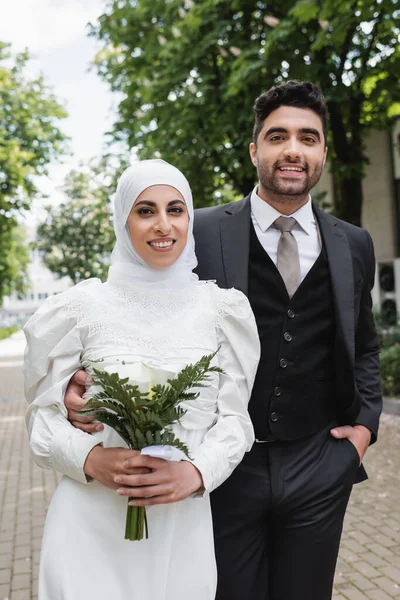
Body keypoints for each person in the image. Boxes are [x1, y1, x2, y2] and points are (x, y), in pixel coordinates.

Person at [65, 80, 382, 600]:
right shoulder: (199, 230)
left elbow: (364, 344)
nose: (293, 150)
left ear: (324, 151)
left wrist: (364, 430)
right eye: (278, 136)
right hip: (220, 469)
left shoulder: (354, 243)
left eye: (308, 137)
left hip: (319, 463)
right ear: (256, 149)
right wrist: (83, 385)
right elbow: (134, 311)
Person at [24, 159, 260, 600]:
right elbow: (41, 421)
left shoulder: (223, 312)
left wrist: (196, 472)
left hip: (181, 530)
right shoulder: (78, 309)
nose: (163, 225)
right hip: (88, 524)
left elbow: (235, 421)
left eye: (175, 209)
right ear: (122, 220)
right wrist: (91, 459)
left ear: (189, 218)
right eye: (145, 210)